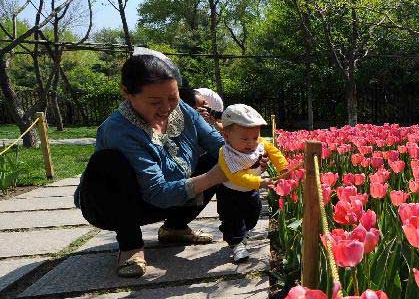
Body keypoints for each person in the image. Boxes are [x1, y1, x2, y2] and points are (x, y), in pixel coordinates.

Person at [74, 49, 228, 278]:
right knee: (109, 163)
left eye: (173, 98)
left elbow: (218, 145)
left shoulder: (183, 109)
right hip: (118, 206)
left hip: (170, 197)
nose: (166, 108)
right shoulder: (119, 130)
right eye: (155, 101)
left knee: (224, 156)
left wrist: (248, 154)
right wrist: (214, 176)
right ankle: (130, 246)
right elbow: (157, 192)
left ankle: (175, 228)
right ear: (127, 93)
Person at [217, 104, 288, 262]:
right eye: (244, 139)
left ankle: (242, 231)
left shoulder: (259, 143)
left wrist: (283, 167)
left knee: (253, 213)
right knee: (233, 218)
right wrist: (260, 182)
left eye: (255, 137)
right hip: (230, 193)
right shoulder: (226, 154)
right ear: (226, 136)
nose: (251, 143)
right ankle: (236, 244)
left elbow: (273, 151)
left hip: (251, 190)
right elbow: (236, 177)